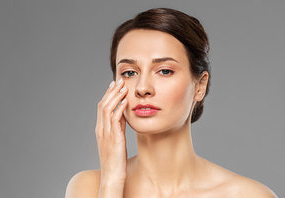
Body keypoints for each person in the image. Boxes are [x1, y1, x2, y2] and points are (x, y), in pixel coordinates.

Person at [65, 8, 277, 197]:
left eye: (164, 71)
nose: (142, 88)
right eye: (129, 72)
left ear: (200, 86)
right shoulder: (89, 188)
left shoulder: (247, 195)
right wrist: (111, 182)